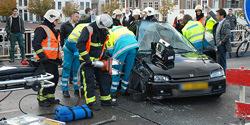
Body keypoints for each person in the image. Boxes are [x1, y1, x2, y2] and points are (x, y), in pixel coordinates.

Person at [76, 14, 116, 109]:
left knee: (105, 78)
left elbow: (102, 46)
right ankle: (90, 103)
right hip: (86, 62)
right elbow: (80, 45)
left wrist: (106, 57)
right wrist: (87, 59)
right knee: (89, 81)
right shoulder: (88, 30)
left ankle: (106, 100)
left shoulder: (103, 31)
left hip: (99, 60)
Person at [32, 9, 62, 107]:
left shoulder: (53, 30)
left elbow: (56, 46)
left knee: (54, 78)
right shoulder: (41, 29)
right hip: (44, 60)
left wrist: (59, 58)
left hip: (52, 60)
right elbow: (36, 44)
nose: (58, 22)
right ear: (52, 19)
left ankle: (50, 97)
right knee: (45, 80)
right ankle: (42, 99)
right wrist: (42, 56)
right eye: (57, 19)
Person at [107, 26, 139, 102]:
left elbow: (110, 49)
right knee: (128, 69)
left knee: (116, 69)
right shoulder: (126, 29)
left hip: (121, 48)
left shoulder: (110, 32)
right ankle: (124, 90)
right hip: (134, 46)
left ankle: (113, 91)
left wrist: (111, 56)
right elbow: (134, 37)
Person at [60, 12, 82, 98]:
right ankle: (65, 89)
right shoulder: (64, 25)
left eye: (78, 17)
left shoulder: (79, 25)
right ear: (72, 16)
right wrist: (62, 47)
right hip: (68, 49)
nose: (78, 18)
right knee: (66, 68)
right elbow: (61, 37)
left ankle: (77, 88)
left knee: (76, 69)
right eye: (76, 16)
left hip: (77, 48)